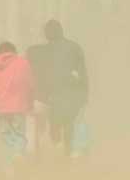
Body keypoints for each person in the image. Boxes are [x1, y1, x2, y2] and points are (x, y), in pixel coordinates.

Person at [26, 20, 89, 158]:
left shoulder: (42, 51)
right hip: (70, 96)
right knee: (68, 125)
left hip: (54, 97)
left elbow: (37, 69)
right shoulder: (74, 47)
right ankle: (68, 153)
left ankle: (61, 152)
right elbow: (82, 73)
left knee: (55, 128)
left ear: (47, 34)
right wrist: (84, 94)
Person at [0, 42, 34, 171]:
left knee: (6, 135)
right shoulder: (23, 63)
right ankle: (18, 155)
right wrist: (30, 103)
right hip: (19, 106)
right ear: (13, 51)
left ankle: (11, 164)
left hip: (2, 108)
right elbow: (30, 85)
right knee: (19, 134)